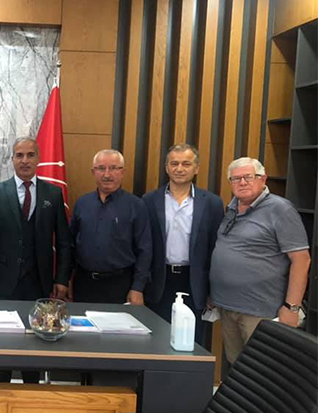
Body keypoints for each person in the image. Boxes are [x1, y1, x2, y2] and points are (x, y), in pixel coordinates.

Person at [0, 136, 71, 384]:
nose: (25, 160)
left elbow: (64, 242)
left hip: (39, 282)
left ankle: (32, 392)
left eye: (30, 155)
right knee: (4, 345)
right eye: (19, 155)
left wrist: (62, 279)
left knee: (35, 345)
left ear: (38, 158)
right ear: (12, 159)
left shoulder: (53, 193)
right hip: (4, 281)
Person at [209, 157, 311, 364]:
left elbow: (302, 260)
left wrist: (292, 307)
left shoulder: (281, 209)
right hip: (227, 307)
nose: (242, 182)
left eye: (248, 177)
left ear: (263, 179)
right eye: (236, 179)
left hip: (260, 311)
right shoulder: (232, 208)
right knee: (237, 367)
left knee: (263, 370)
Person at [142, 144, 224, 346]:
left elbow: (216, 249)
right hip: (159, 281)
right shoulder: (149, 200)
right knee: (156, 340)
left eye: (186, 164)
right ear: (166, 168)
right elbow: (143, 246)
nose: (179, 169)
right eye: (174, 163)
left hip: (194, 282)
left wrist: (212, 291)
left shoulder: (212, 203)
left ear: (196, 168)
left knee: (192, 342)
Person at [70, 149, 151, 305]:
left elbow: (145, 250)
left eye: (114, 168)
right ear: (93, 172)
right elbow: (71, 244)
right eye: (101, 168)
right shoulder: (82, 203)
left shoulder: (136, 205)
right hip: (84, 284)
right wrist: (67, 279)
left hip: (120, 286)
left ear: (123, 172)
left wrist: (138, 287)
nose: (107, 174)